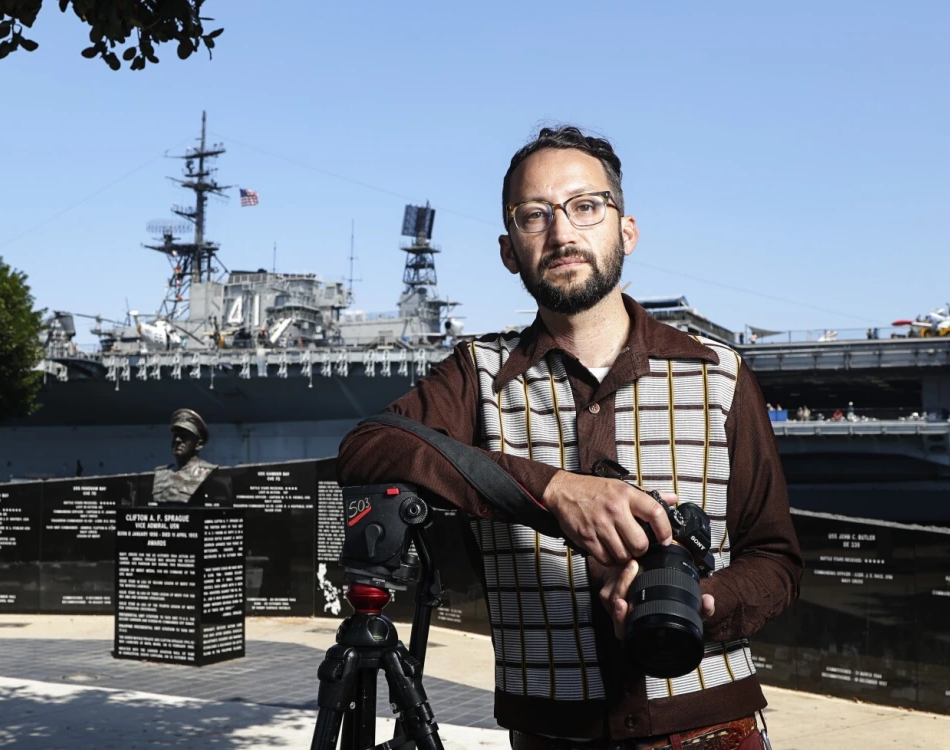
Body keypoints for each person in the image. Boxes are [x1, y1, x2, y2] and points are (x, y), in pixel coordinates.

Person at [338, 126, 801, 750]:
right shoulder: (476, 376)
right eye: (535, 215)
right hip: (551, 736)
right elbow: (368, 445)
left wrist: (702, 600)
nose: (562, 233)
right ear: (509, 250)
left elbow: (775, 558)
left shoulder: (718, 373)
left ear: (626, 230)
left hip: (711, 731)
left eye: (586, 207)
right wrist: (553, 492)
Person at [151, 408, 230, 505]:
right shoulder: (161, 474)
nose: (177, 440)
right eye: (175, 436)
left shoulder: (209, 474)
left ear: (198, 444)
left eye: (184, 436)